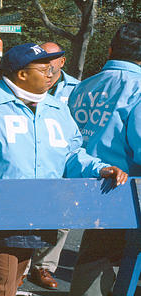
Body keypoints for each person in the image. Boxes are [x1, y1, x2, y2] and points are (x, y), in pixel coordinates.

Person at [0, 43, 128, 296]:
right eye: (44, 68)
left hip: (42, 210)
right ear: (22, 74)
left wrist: (100, 168)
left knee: (13, 282)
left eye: (52, 68)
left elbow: (72, 154)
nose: (52, 74)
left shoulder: (57, 109)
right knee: (1, 285)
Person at [67, 22, 141, 296]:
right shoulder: (138, 87)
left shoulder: (83, 86)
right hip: (126, 187)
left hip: (86, 181)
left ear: (110, 50)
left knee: (93, 258)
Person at [23, 40, 82, 291]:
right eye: (42, 58)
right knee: (27, 214)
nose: (47, 63)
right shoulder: (25, 86)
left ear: (62, 61)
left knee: (61, 218)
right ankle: (21, 265)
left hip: (62, 163)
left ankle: (44, 266)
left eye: (52, 58)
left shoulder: (78, 89)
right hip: (31, 160)